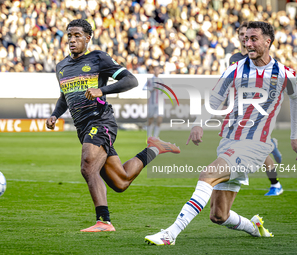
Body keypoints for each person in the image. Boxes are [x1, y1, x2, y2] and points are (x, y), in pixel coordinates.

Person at [145, 21, 297, 245]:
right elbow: (215, 97)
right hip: (229, 142)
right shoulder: (235, 68)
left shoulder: (284, 73)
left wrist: (294, 134)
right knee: (219, 215)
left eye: (253, 39)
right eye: (246, 39)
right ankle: (253, 227)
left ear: (268, 41)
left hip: (255, 144)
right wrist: (199, 123)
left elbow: (295, 99)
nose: (248, 43)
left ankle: (170, 234)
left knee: (207, 175)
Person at [45, 19, 180, 232]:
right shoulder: (61, 67)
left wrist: (103, 90)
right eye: (69, 35)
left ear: (88, 38)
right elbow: (65, 95)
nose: (72, 40)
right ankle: (155, 148)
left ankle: (104, 222)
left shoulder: (99, 58)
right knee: (121, 181)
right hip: (84, 128)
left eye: (77, 35)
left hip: (100, 121)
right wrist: (55, 114)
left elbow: (131, 80)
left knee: (88, 165)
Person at [229, 22, 284, 196]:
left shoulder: (262, 59)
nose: (245, 39)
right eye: (242, 35)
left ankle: (274, 183)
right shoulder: (235, 59)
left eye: (249, 36)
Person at [144, 66, 164, 138]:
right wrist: (151, 88)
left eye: (158, 70)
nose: (157, 71)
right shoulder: (150, 80)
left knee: (159, 119)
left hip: (160, 103)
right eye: (155, 70)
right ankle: (149, 135)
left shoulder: (161, 81)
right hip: (152, 102)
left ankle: (156, 136)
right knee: (150, 118)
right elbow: (144, 88)